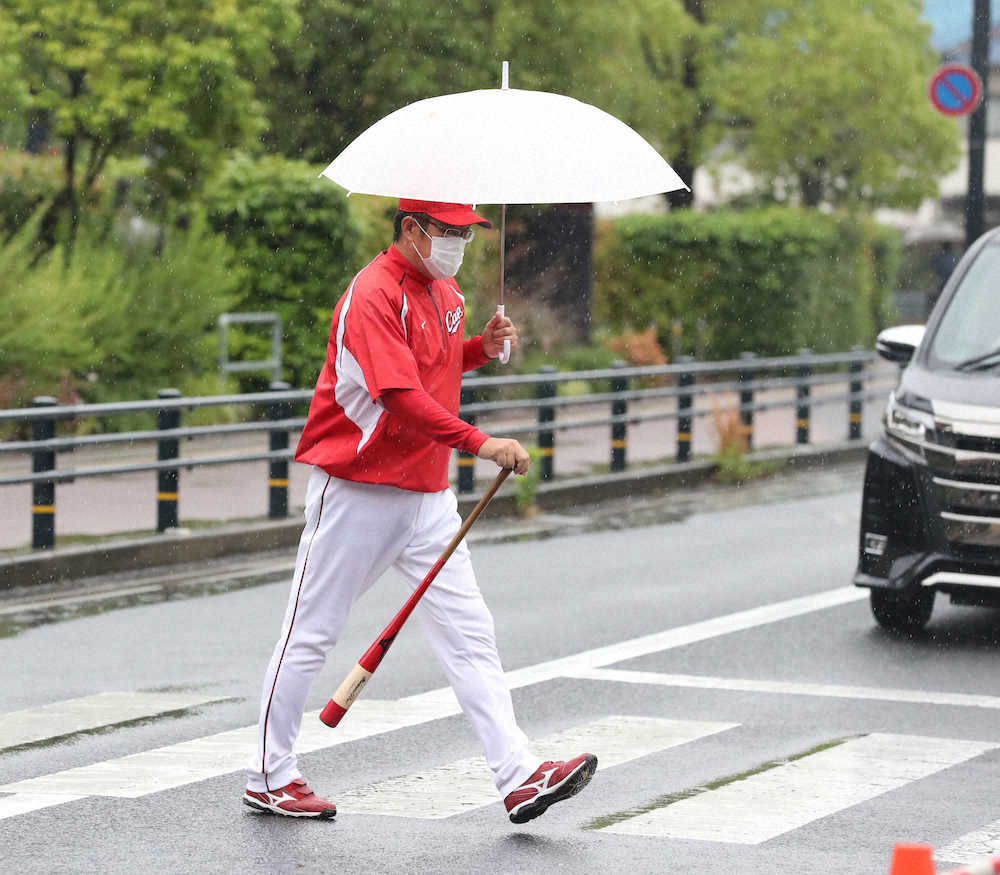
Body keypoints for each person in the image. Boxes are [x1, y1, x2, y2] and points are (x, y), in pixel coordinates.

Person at [243, 199, 597, 822]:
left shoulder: (447, 293)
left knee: (471, 635)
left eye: (467, 232)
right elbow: (399, 393)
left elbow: (432, 367)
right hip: (357, 488)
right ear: (412, 228)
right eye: (450, 231)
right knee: (311, 634)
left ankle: (518, 775)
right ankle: (270, 774)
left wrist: (478, 350)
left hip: (429, 495)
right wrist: (480, 441)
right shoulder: (372, 292)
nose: (461, 242)